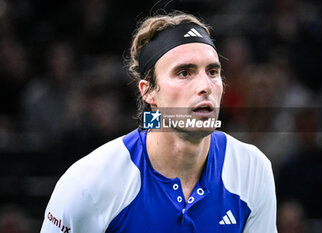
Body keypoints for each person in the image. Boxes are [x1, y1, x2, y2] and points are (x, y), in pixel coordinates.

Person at [40, 11, 277, 233]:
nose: (206, 86)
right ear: (148, 92)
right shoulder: (88, 183)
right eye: (184, 72)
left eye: (213, 72)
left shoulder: (253, 169)